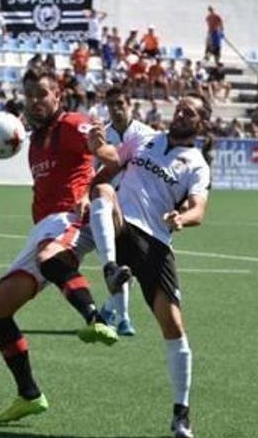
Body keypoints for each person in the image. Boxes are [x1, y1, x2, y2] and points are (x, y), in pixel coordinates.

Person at [0, 70, 123, 424]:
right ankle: (29, 394)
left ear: (57, 95)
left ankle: (96, 318)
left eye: (41, 93)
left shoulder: (73, 124)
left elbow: (110, 157)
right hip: (42, 228)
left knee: (50, 256)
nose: (34, 100)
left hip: (68, 218)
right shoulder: (33, 142)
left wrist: (92, 175)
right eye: (29, 94)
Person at [89, 94, 213, 438]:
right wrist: (97, 147)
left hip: (156, 241)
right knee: (101, 191)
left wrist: (181, 218)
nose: (182, 112)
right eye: (181, 107)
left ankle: (181, 414)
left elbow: (199, 209)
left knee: (173, 326)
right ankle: (111, 269)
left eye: (190, 111)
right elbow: (113, 161)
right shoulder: (146, 138)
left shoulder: (196, 164)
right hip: (122, 225)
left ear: (200, 123)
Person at [95, 87, 156, 337]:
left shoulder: (147, 135)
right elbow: (92, 169)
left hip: (140, 205)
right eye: (110, 104)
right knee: (123, 262)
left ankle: (109, 309)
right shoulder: (101, 137)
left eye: (120, 103)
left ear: (130, 103)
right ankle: (124, 319)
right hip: (111, 202)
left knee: (132, 264)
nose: (116, 108)